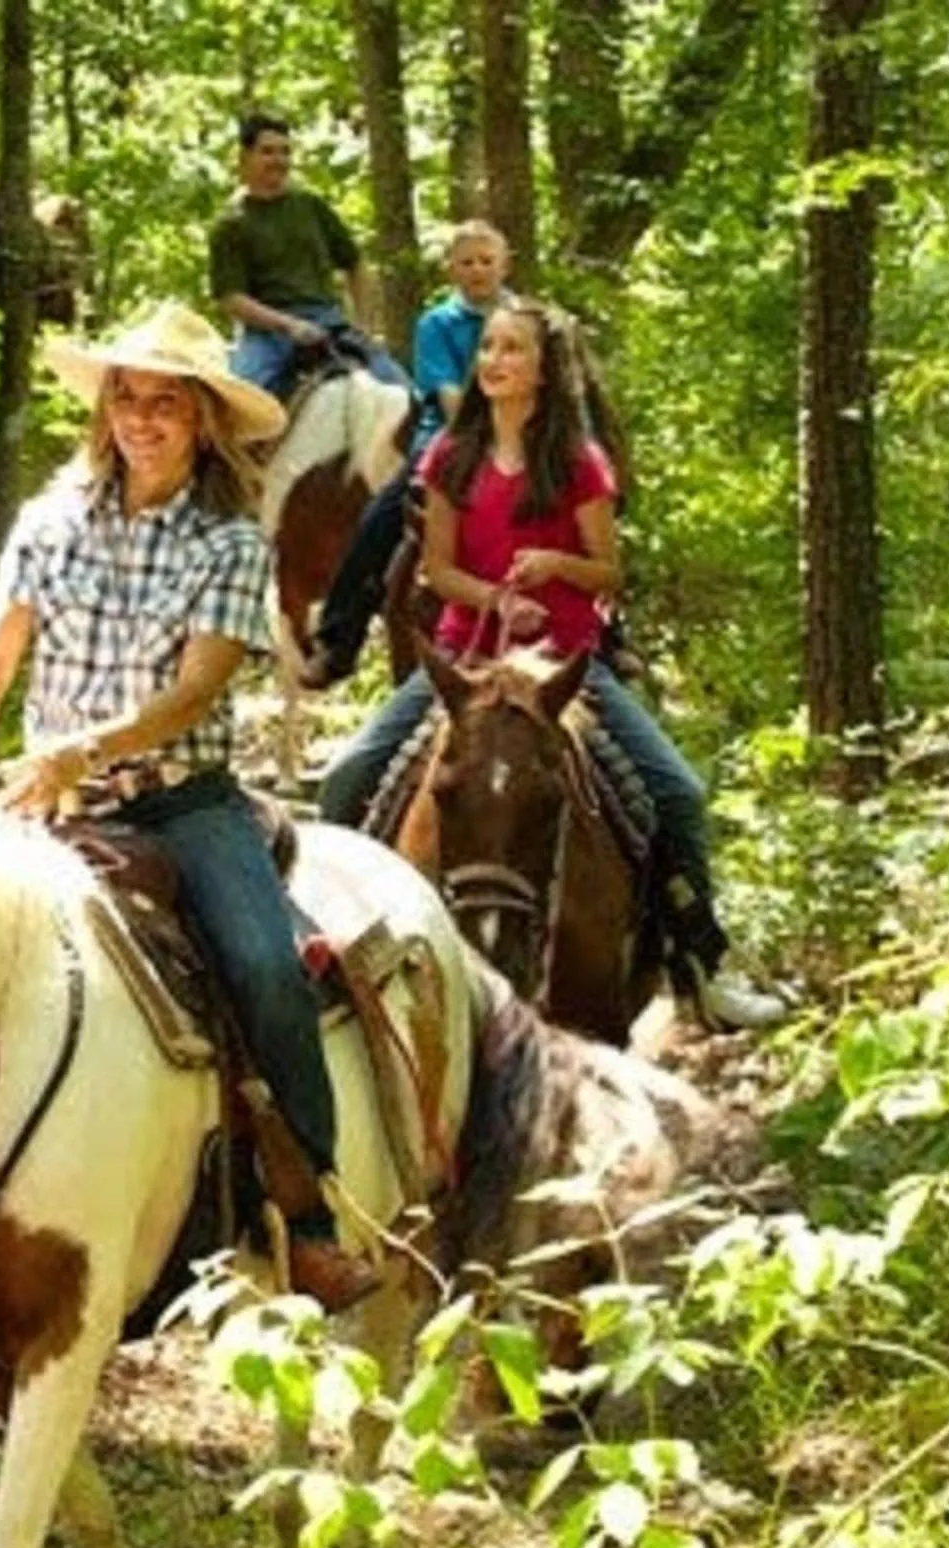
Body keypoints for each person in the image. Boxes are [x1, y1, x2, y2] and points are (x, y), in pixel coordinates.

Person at [0, 301, 381, 1310]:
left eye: (164, 401)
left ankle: (305, 1217)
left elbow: (193, 691)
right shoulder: (48, 522)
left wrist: (77, 751)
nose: (141, 417)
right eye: (126, 397)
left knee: (266, 971)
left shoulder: (225, 542)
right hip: (43, 802)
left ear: (202, 418)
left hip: (177, 807)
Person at [316, 297, 784, 1031]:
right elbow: (437, 569)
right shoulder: (450, 457)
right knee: (349, 776)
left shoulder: (578, 464)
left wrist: (557, 564)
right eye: (489, 349)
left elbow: (608, 573)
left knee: (676, 792)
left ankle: (701, 965)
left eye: (512, 350)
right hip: (469, 664)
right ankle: (328, 944)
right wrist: (495, 599)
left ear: (542, 370)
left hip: (564, 666)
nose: (494, 360)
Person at [298, 221, 511, 688]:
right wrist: (491, 442)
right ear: (452, 269)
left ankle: (610, 634)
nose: (478, 270)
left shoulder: (528, 318)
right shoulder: (437, 324)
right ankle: (339, 639)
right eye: (467, 262)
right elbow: (451, 398)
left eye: (486, 260)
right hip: (453, 437)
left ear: (504, 264)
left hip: (525, 435)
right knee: (382, 517)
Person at [208, 112, 405, 398]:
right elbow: (231, 298)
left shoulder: (311, 206)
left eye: (285, 151)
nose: (279, 160)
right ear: (244, 156)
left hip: (329, 321)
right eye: (268, 151)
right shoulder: (231, 224)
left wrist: (363, 325)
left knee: (402, 390)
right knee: (238, 404)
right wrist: (288, 325)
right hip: (267, 334)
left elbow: (355, 263)